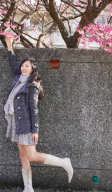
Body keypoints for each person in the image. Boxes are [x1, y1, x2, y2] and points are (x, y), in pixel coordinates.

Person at [4, 35, 74, 192]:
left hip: (26, 124)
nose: (23, 68)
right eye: (23, 65)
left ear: (32, 69)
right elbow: (13, 64)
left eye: (27, 66)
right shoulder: (18, 79)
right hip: (17, 122)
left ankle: (64, 162)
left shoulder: (32, 85)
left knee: (32, 155)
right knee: (23, 156)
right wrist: (9, 46)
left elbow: (34, 108)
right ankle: (28, 189)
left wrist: (35, 129)